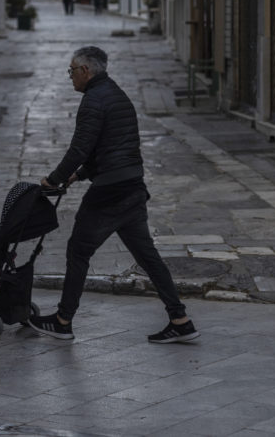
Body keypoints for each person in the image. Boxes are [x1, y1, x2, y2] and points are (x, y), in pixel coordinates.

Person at [28, 46, 199, 343]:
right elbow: (108, 147)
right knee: (148, 257)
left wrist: (52, 180)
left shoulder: (93, 102)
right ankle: (180, 319)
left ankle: (63, 320)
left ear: (85, 71)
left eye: (71, 71)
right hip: (133, 187)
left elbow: (80, 149)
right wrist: (77, 175)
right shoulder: (116, 94)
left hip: (109, 193)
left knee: (78, 251)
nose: (70, 77)